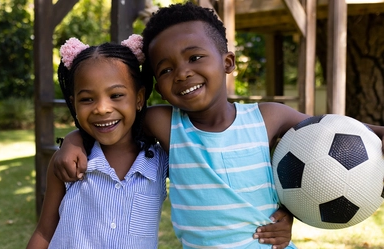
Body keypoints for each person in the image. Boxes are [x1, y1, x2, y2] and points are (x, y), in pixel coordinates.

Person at [52, 2, 384, 249]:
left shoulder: (269, 117)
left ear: (227, 62)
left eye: (195, 58)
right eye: (166, 69)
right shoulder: (163, 123)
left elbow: (336, 136)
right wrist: (72, 142)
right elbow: (108, 121)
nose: (182, 73)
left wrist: (289, 214)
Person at [27, 35, 169, 249]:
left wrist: (73, 137)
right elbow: (44, 233)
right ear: (74, 104)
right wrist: (73, 139)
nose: (101, 108)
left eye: (116, 95)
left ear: (139, 98)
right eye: (87, 99)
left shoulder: (160, 161)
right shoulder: (67, 164)